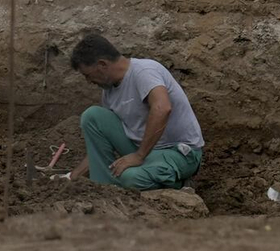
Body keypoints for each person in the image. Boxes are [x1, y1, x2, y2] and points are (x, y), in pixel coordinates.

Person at [64, 33, 204, 191]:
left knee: (130, 178)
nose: (88, 81)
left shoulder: (144, 71)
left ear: (102, 64)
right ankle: (104, 189)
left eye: (87, 75)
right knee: (92, 116)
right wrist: (73, 177)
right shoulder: (109, 90)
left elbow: (162, 108)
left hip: (178, 152)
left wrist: (139, 156)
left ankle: (178, 183)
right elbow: (98, 148)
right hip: (144, 151)